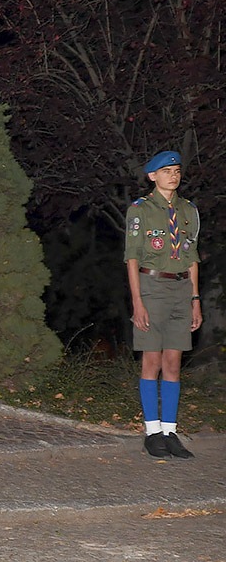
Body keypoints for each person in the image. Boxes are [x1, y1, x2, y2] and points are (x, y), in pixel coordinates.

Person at [124, 150, 202, 459]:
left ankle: (170, 431)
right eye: (167, 171)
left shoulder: (188, 210)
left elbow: (192, 257)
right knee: (152, 361)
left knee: (173, 363)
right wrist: (137, 302)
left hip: (182, 289)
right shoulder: (140, 210)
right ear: (152, 176)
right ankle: (152, 431)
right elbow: (132, 258)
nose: (174, 175)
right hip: (152, 287)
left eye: (177, 170)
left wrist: (195, 299)